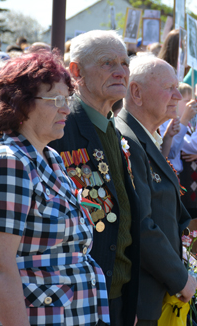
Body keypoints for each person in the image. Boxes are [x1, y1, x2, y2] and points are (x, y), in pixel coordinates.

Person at [0, 51, 110, 326]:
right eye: (56, 100)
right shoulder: (8, 163)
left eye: (67, 99)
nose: (66, 109)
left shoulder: (49, 157)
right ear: (21, 104)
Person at [48, 30, 141, 326]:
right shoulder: (60, 128)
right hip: (76, 302)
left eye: (125, 63)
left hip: (118, 295)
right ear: (76, 71)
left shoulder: (113, 128)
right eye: (107, 63)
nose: (120, 72)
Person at [115, 55, 197, 326]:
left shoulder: (145, 136)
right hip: (142, 297)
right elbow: (142, 224)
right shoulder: (127, 139)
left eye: (177, 87)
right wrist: (180, 278)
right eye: (169, 88)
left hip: (157, 291)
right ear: (136, 92)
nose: (177, 95)